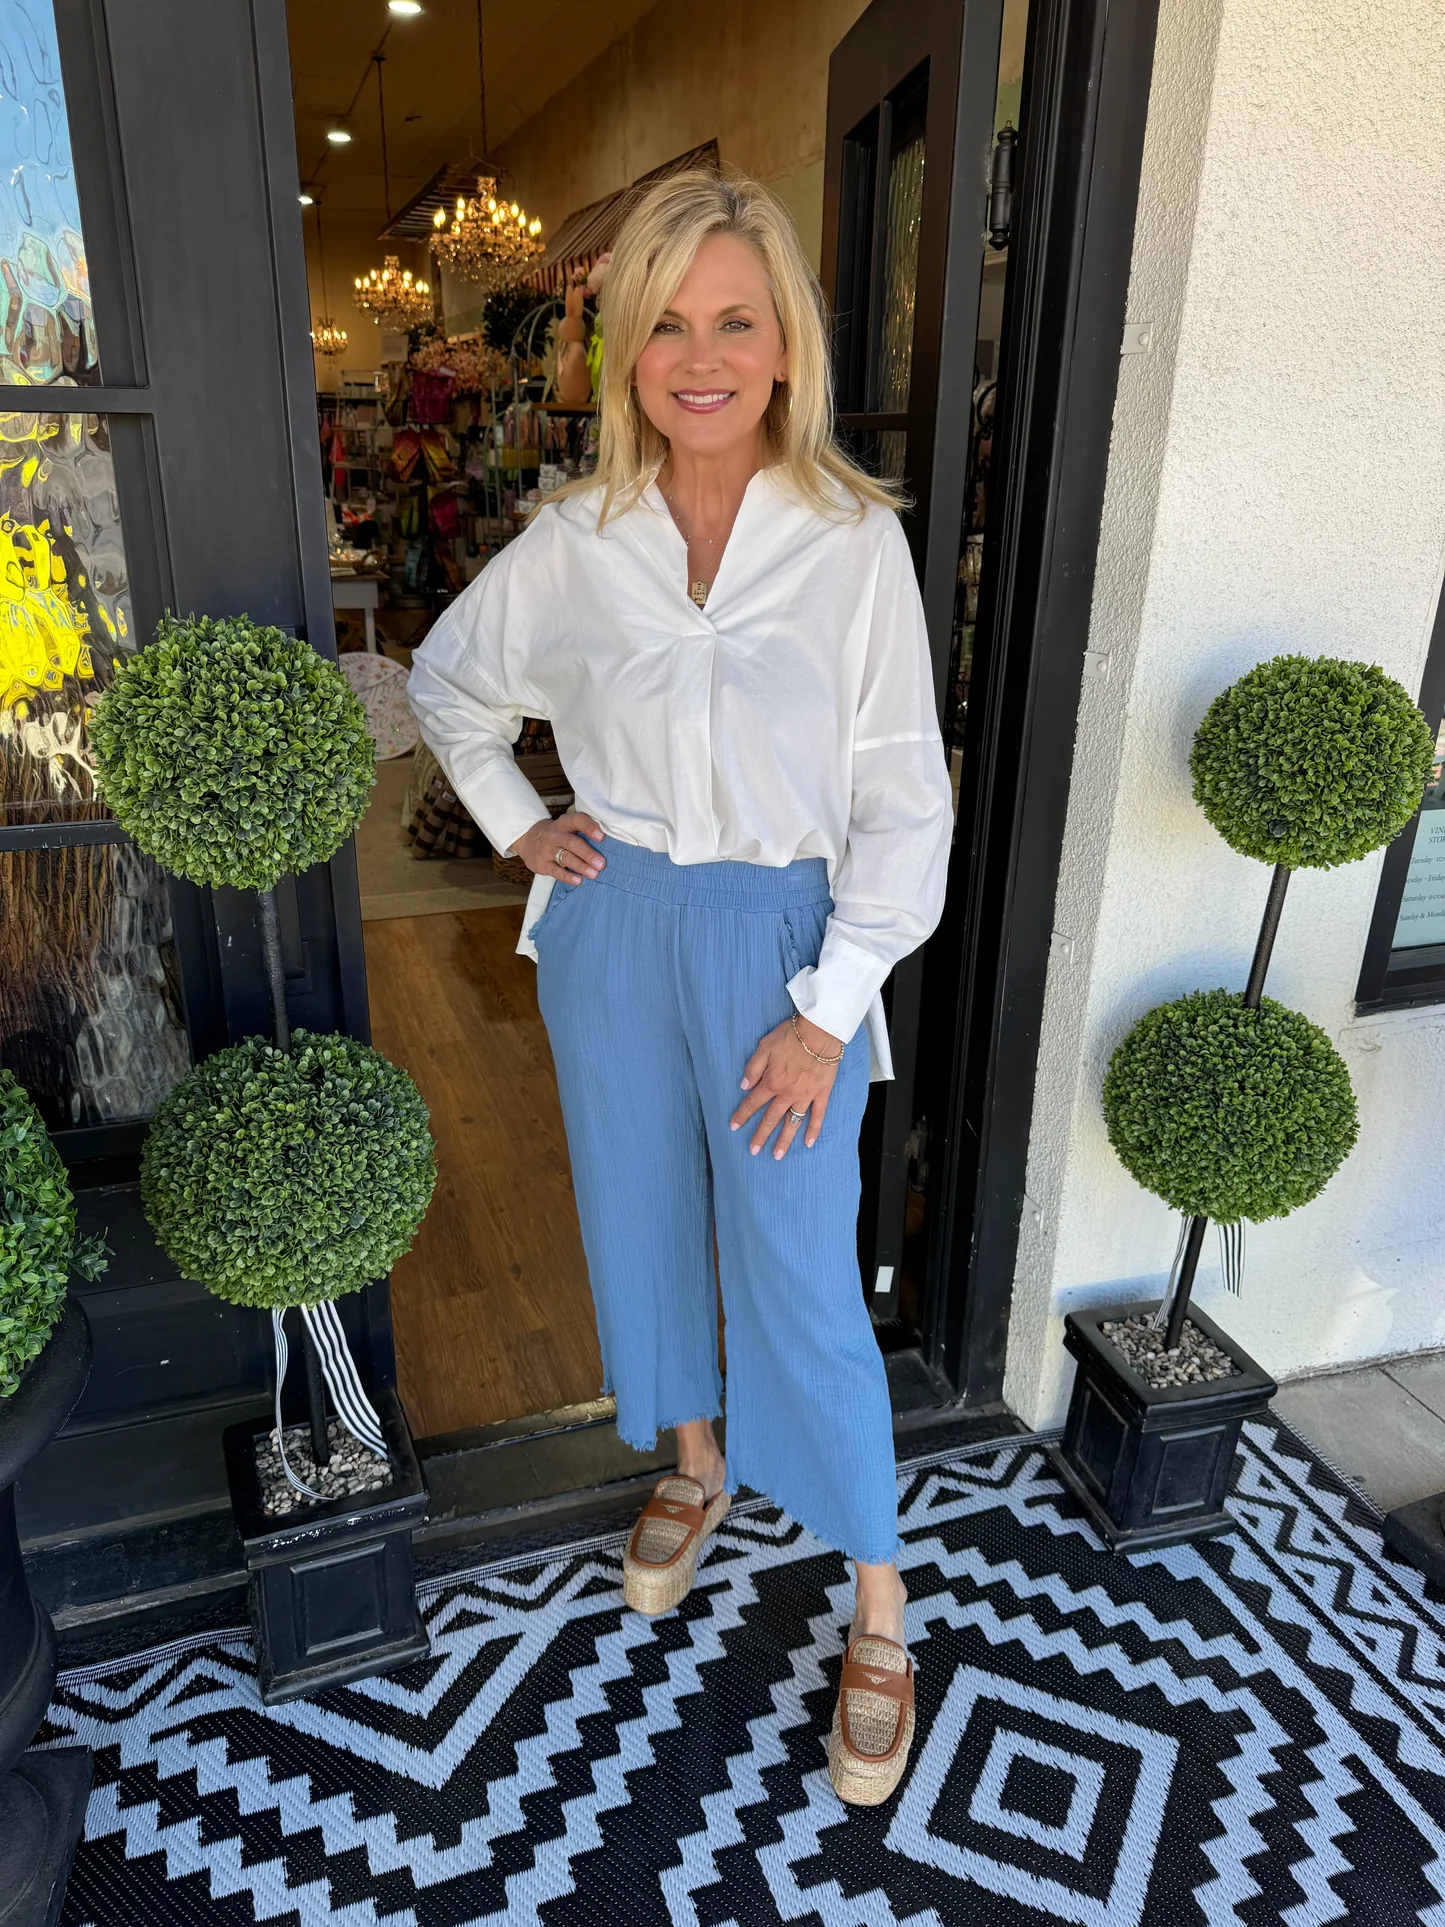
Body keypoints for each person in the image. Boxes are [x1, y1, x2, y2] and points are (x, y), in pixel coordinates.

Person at [408, 169, 952, 1806]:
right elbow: (446, 683)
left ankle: (879, 1596)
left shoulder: (853, 546)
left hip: (785, 943)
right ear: (624, 352)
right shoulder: (575, 544)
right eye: (664, 323)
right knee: (638, 1210)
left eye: (734, 320)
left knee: (800, 1262)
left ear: (786, 346)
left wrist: (828, 1006)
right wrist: (520, 821)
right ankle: (695, 1462)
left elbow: (905, 804)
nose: (699, 356)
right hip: (616, 920)